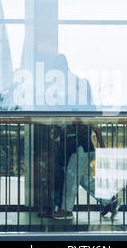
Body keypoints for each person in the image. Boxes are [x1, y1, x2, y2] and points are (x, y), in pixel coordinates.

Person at [47, 54, 120, 220]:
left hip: (79, 146)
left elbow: (84, 120)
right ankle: (109, 199)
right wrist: (101, 145)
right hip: (85, 146)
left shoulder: (71, 88)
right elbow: (94, 123)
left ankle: (65, 211)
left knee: (72, 177)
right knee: (83, 178)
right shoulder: (77, 87)